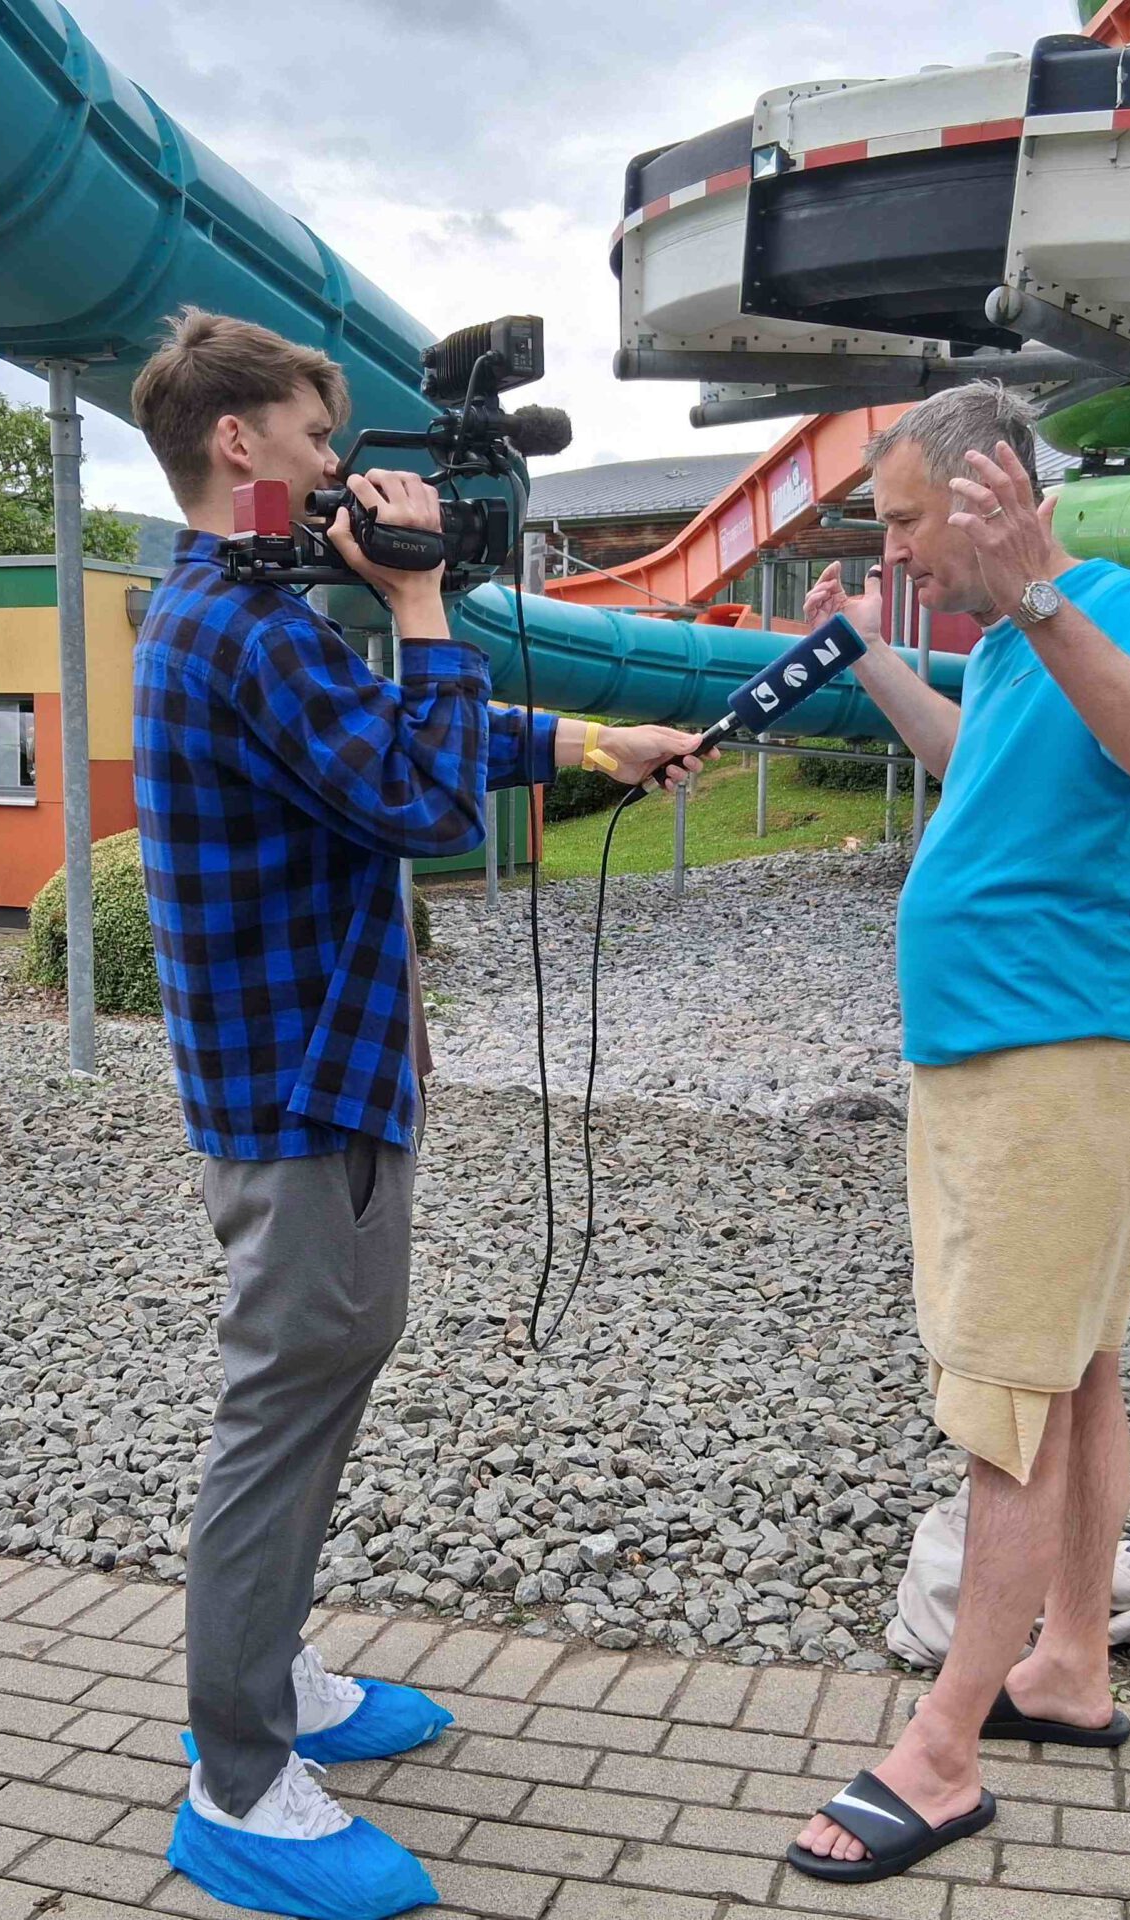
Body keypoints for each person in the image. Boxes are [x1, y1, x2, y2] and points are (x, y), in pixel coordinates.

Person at [127, 308, 707, 1920]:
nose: (340, 467)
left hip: (317, 1073)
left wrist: (591, 738)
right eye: (319, 439)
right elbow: (428, 796)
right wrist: (424, 595)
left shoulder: (243, 611)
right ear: (239, 443)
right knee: (283, 1409)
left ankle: (271, 1677)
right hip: (301, 1088)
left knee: (322, 1381)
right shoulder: (244, 628)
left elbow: (392, 740)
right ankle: (238, 1781)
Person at [786, 382, 1130, 1884]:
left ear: (996, 495)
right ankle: (1070, 1667)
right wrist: (872, 655)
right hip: (1016, 1055)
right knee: (1075, 1369)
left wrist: (1041, 594)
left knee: (1007, 1401)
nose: (896, 549)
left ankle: (945, 1750)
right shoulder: (1018, 652)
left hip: (1055, 1056)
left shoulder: (1114, 609)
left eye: (910, 520)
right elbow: (979, 762)